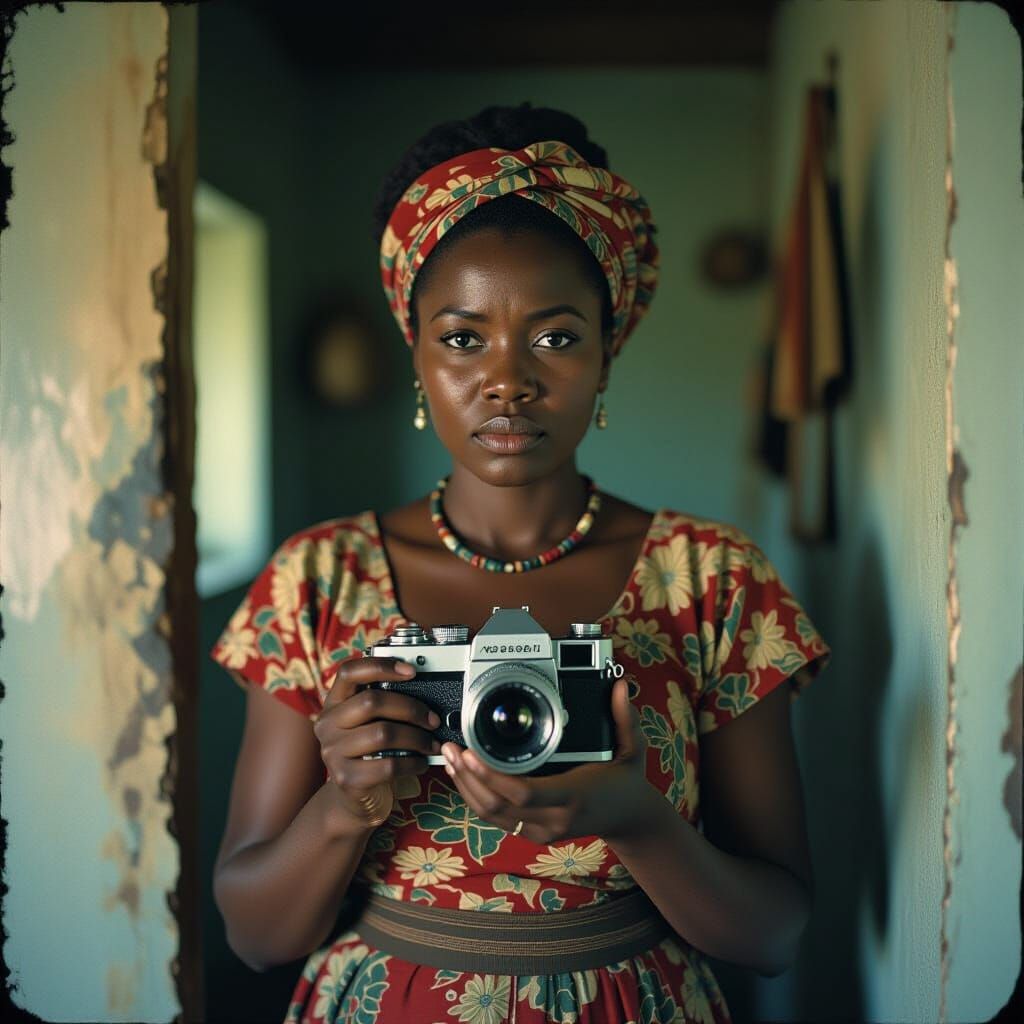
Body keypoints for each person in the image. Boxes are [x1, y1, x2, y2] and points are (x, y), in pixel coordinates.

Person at [210, 103, 832, 1024]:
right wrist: (344, 805)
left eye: (555, 336)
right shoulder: (317, 579)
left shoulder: (713, 580)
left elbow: (775, 937)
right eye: (463, 338)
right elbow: (255, 938)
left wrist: (635, 819)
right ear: (416, 353)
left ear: (606, 352)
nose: (508, 380)